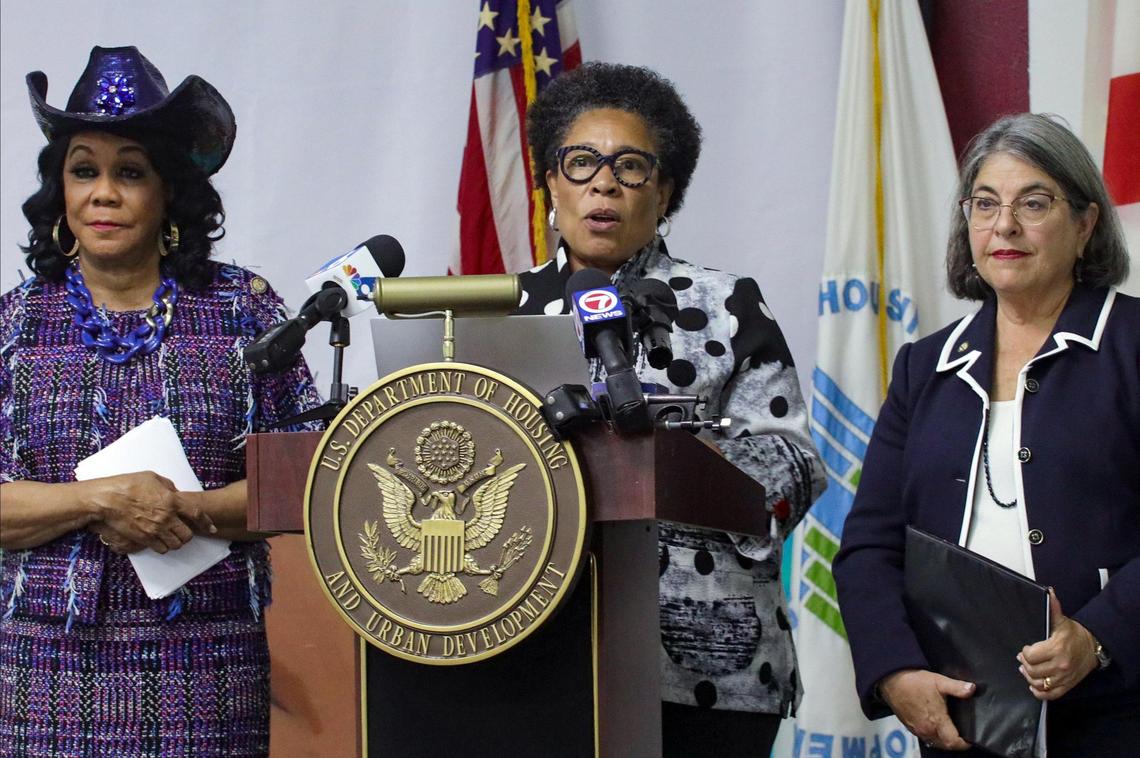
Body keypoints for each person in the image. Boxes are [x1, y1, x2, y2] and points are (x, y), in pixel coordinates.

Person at [0, 46, 321, 757]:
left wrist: (189, 511)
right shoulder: (13, 326)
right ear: (61, 189)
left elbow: (308, 478)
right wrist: (100, 500)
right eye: (84, 170)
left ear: (169, 192)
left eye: (130, 172)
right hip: (46, 672)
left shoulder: (244, 307)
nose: (103, 194)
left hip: (208, 667)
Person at [514, 61, 826, 756]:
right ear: (549, 184)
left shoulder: (725, 304)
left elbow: (794, 466)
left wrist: (660, 456)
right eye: (582, 162)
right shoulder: (501, 311)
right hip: (532, 647)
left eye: (630, 166)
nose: (603, 183)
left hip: (703, 661)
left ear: (665, 192)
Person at [833, 113, 1139, 755]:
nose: (1005, 225)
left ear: (1085, 225)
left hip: (1118, 711)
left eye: (1034, 203)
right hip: (967, 722)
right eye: (985, 204)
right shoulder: (926, 366)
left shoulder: (1132, 345)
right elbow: (869, 546)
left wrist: (1099, 635)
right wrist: (895, 671)